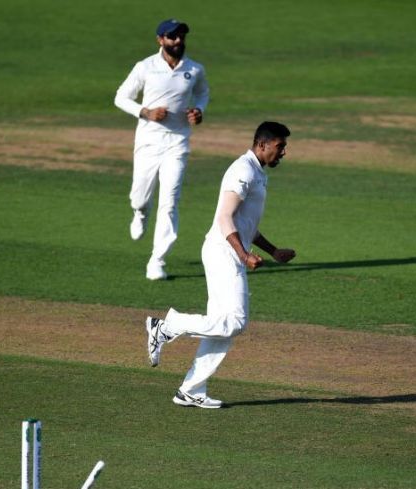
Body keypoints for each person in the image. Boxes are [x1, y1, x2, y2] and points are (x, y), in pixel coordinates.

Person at [145, 122, 296, 408]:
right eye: (280, 146)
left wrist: (273, 251)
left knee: (224, 330)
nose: (284, 152)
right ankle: (166, 326)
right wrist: (244, 255)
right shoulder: (243, 171)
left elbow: (246, 225)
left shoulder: (257, 173)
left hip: (228, 251)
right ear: (262, 144)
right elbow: (225, 218)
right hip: (222, 252)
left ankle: (191, 389)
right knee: (235, 322)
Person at [115, 18, 210, 280]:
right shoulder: (145, 67)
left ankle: (157, 261)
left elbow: (202, 94)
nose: (178, 41)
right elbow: (121, 97)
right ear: (160, 40)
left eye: (181, 36)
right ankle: (140, 211)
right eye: (172, 37)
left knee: (170, 202)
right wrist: (145, 112)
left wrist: (199, 111)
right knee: (141, 196)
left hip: (177, 143)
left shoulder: (194, 69)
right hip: (148, 141)